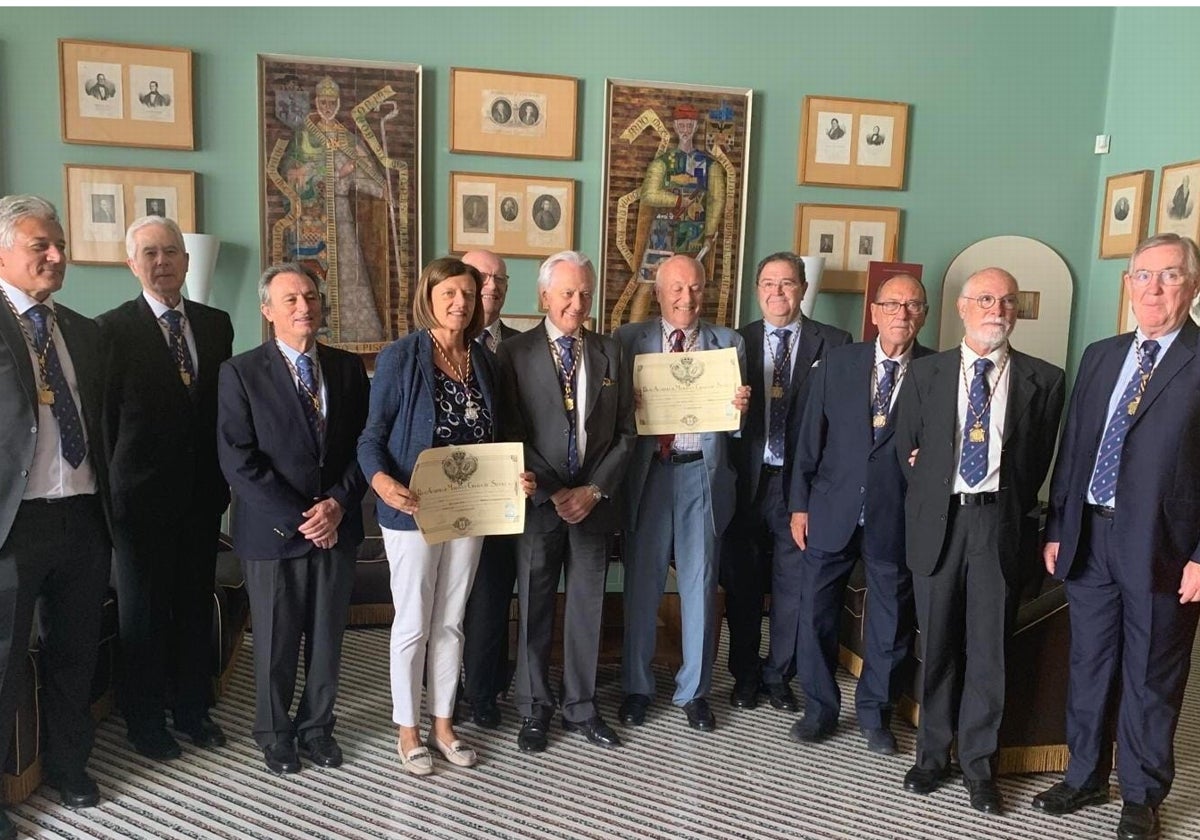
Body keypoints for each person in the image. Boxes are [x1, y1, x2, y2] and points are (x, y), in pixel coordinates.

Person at [1033, 234, 1200, 840]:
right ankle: (1083, 776)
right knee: (1089, 664)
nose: (1153, 288)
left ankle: (1141, 795)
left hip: (1165, 547)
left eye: (1169, 276)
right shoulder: (1102, 356)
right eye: (1142, 276)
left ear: (1192, 285)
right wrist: (1057, 526)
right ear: (1128, 285)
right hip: (1089, 540)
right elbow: (1075, 449)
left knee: (1152, 675)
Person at [894, 267, 1064, 815]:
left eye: (1008, 301)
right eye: (986, 298)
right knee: (937, 645)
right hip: (939, 524)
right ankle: (930, 757)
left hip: (998, 526)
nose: (998, 308)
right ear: (963, 307)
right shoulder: (925, 373)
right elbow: (908, 451)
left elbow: (1037, 463)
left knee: (989, 653)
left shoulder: (1046, 380)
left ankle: (979, 767)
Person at [358, 256, 534, 776]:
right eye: (448, 294)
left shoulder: (483, 359)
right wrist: (382, 481)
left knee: (451, 622)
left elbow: (496, 438)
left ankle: (442, 723)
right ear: (429, 298)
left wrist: (515, 477)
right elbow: (371, 436)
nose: (460, 303)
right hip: (412, 509)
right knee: (413, 623)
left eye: (468, 294)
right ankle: (407, 730)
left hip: (471, 509)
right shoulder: (401, 357)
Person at [217, 263, 369, 775]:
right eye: (290, 300)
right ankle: (275, 733)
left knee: (327, 641)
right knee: (276, 644)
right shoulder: (240, 372)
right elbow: (239, 459)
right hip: (274, 532)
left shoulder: (348, 370)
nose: (304, 307)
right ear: (267, 311)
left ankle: (317, 728)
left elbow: (364, 449)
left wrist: (340, 504)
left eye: (311, 297)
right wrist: (303, 518)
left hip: (337, 526)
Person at [97, 216, 234, 762]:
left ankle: (192, 710)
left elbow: (223, 412)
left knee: (194, 606)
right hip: (137, 504)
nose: (162, 262)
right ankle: (146, 720)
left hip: (201, 499)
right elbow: (105, 421)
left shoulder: (216, 323)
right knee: (144, 614)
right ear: (133, 263)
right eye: (149, 253)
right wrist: (110, 502)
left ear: (186, 260)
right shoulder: (109, 330)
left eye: (171, 251)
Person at [0, 195, 112, 828]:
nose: (56, 256)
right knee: (4, 663)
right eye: (40, 245)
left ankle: (70, 767)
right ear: (3, 252)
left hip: (82, 518)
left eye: (59, 244)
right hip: (14, 527)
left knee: (76, 654)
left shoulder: (82, 330)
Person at [496, 251, 636, 753]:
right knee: (534, 605)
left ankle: (581, 707)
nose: (577, 304)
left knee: (587, 608)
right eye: (567, 294)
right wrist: (557, 492)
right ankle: (534, 709)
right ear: (543, 297)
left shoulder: (611, 351)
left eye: (584, 294)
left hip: (594, 504)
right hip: (539, 504)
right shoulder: (513, 353)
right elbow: (510, 432)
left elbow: (626, 433)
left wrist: (593, 490)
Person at [788, 275, 931, 753]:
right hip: (831, 509)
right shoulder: (837, 363)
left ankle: (875, 715)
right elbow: (808, 440)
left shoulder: (938, 371)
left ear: (924, 315)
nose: (901, 314)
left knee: (890, 620)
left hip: (897, 516)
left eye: (912, 306)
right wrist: (799, 504)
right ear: (874, 312)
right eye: (892, 304)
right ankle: (819, 709)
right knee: (815, 613)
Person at [615, 254, 750, 732]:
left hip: (702, 475)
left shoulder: (728, 343)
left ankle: (694, 692)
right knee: (642, 585)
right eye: (676, 288)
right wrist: (625, 406)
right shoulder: (629, 341)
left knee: (699, 584)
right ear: (659, 292)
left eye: (695, 289)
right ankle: (636, 686)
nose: (686, 298)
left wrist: (739, 410)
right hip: (648, 474)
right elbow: (610, 419)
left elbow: (737, 433)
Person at [720, 252, 850, 712]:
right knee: (742, 584)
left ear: (802, 288)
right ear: (757, 291)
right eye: (769, 284)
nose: (778, 293)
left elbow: (842, 424)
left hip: (802, 487)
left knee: (793, 585)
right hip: (743, 483)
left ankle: (779, 676)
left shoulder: (835, 343)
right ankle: (744, 673)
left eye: (787, 283)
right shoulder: (734, 342)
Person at [278, 75, 389, 345]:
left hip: (340, 214)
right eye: (323, 101)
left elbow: (367, 174)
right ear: (316, 102)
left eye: (332, 102)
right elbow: (287, 172)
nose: (327, 107)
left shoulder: (346, 138)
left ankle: (353, 333)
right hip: (311, 217)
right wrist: (322, 172)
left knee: (349, 272)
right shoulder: (304, 135)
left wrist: (383, 190)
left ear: (338, 104)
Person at [459, 250, 519, 729]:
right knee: (446, 601)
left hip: (505, 496)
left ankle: (484, 690)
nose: (490, 286)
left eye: (499, 278)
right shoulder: (432, 346)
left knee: (492, 596)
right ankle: (444, 688)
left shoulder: (522, 348)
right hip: (450, 492)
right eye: (480, 277)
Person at [626, 104, 727, 325]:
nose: (685, 128)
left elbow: (717, 198)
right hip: (663, 233)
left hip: (693, 234)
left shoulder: (710, 166)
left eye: (689, 124)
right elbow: (650, 194)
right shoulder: (662, 163)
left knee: (689, 292)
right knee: (646, 286)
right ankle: (629, 340)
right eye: (681, 124)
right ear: (674, 126)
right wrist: (678, 200)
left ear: (695, 127)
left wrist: (709, 233)